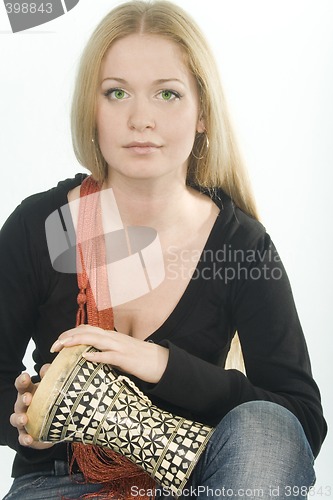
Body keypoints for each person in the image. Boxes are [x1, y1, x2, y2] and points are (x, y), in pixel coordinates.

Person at [0, 1, 327, 499]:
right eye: (117, 93)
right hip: (60, 484)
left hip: (205, 484)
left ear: (202, 114)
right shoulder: (41, 225)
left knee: (269, 426)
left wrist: (160, 365)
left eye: (168, 94)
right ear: (93, 108)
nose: (141, 119)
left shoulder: (243, 246)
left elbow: (299, 422)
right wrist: (21, 414)